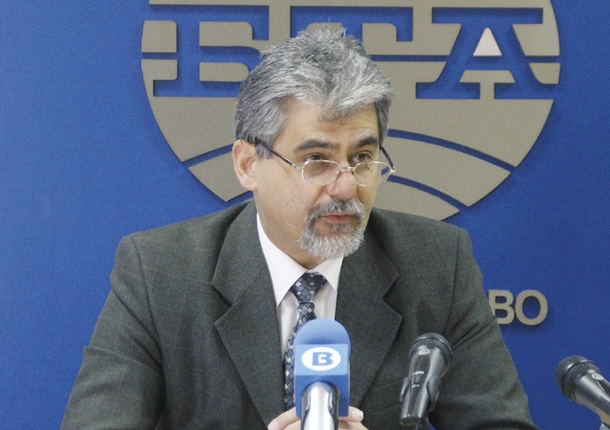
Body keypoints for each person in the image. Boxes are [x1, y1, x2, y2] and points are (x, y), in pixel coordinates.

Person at [62, 27, 538, 429]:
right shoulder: (159, 273)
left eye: (362, 157)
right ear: (248, 164)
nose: (346, 186)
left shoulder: (436, 265)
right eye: (317, 160)